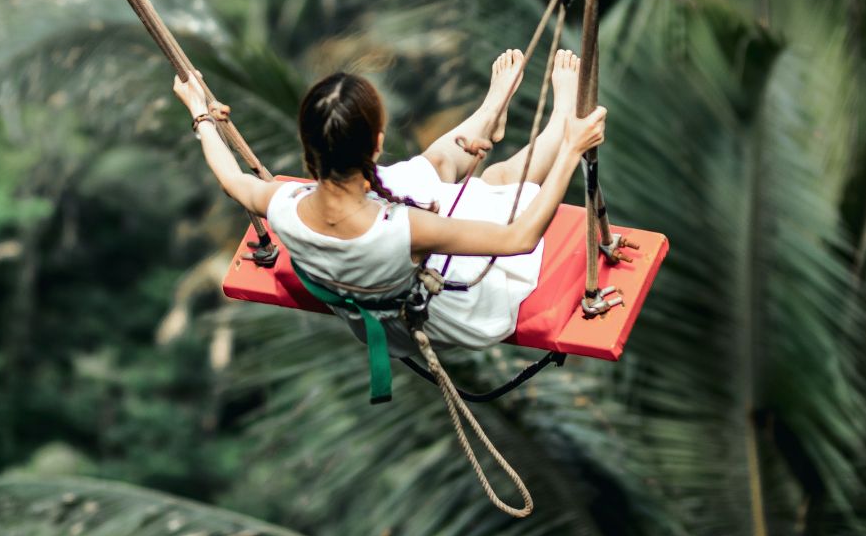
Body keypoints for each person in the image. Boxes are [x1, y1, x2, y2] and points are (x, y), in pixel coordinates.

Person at [174, 49, 606, 355]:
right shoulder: (405, 228)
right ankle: (560, 123)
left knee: (435, 165)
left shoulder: (284, 204)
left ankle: (489, 112)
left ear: (309, 149)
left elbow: (232, 179)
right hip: (443, 313)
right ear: (377, 145)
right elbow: (519, 238)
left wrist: (201, 115)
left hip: (374, 305)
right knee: (499, 179)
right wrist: (571, 151)